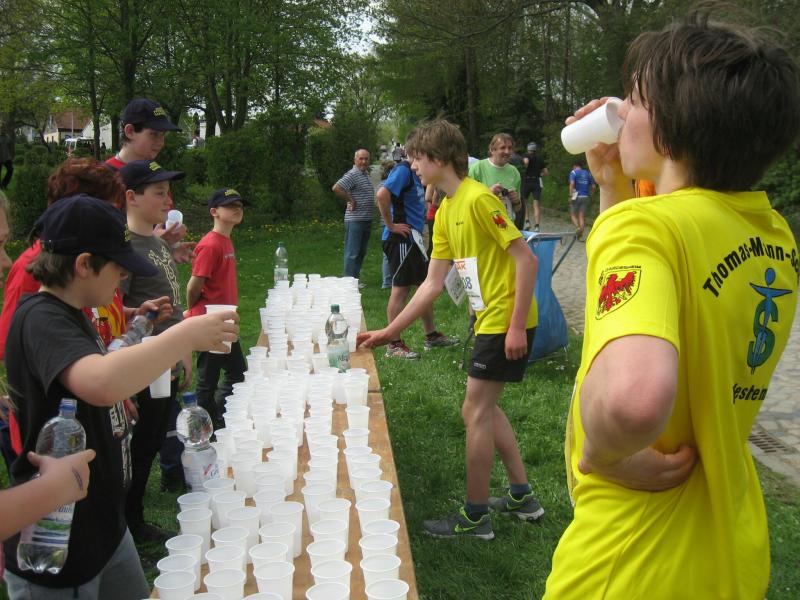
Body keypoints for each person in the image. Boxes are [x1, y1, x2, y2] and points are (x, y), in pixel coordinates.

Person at [544, 11, 800, 599]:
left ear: (667, 130)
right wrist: (612, 185)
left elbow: (635, 401)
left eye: (632, 101)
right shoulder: (771, 235)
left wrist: (602, 453)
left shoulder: (646, 229)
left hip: (633, 559)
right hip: (727, 551)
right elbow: (639, 288)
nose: (619, 114)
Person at [2, 194, 237, 599]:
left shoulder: (74, 312)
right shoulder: (40, 318)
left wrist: (141, 323)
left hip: (106, 526)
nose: (123, 279)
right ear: (83, 265)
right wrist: (185, 334)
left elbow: (107, 358)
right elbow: (101, 381)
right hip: (61, 541)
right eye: (118, 268)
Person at [359, 119, 544, 539]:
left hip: (505, 320)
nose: (412, 166)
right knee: (485, 408)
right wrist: (389, 332)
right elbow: (432, 284)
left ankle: (475, 518)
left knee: (474, 411)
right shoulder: (444, 211)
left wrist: (517, 326)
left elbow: (527, 260)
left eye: (416, 158)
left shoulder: (479, 200)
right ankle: (522, 497)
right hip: (487, 318)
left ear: (439, 158)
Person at [0, 159, 171, 471]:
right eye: (106, 209)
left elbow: (96, 320)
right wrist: (183, 338)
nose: (114, 217)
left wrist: (131, 316)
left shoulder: (86, 278)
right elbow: (23, 344)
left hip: (97, 406)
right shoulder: (35, 274)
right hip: (56, 441)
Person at [118, 159, 189, 541]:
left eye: (168, 192)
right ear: (132, 197)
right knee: (143, 443)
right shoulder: (125, 248)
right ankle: (129, 521)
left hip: (167, 360)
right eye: (158, 193)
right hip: (145, 362)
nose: (167, 200)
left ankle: (133, 516)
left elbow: (173, 306)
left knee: (155, 435)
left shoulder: (157, 243)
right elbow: (115, 311)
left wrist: (182, 348)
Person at [376, 156, 459, 359]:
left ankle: (431, 336)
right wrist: (390, 225)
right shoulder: (403, 170)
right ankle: (393, 344)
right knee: (401, 289)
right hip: (401, 239)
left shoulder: (415, 173)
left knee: (424, 286)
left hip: (414, 239)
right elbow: (382, 194)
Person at [185, 187, 248, 429]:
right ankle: (204, 428)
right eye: (230, 205)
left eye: (239, 205)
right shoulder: (210, 245)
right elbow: (194, 285)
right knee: (207, 381)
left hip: (225, 319)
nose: (237, 209)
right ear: (214, 212)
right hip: (210, 322)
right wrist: (194, 311)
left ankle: (220, 418)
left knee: (237, 374)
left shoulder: (226, 241)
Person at [105, 98, 190, 255]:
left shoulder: (156, 175)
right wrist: (152, 241)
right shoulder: (103, 177)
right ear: (130, 131)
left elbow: (160, 225)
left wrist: (169, 247)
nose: (161, 142)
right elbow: (99, 235)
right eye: (154, 134)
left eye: (163, 135)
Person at [332, 149, 374, 286]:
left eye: (366, 159)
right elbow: (337, 187)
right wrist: (350, 199)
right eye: (361, 159)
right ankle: (349, 282)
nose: (364, 161)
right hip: (355, 219)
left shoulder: (364, 174)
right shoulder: (353, 174)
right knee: (352, 252)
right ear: (355, 160)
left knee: (361, 251)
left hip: (365, 219)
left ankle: (355, 279)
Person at [468, 133, 525, 230]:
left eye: (510, 148)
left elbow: (517, 208)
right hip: (485, 227)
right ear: (492, 150)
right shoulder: (477, 169)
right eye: (502, 148)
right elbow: (467, 203)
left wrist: (516, 201)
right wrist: (489, 193)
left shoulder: (514, 172)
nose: (507, 151)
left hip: (507, 227)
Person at [521, 142, 548, 231]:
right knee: (536, 204)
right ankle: (537, 226)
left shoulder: (526, 155)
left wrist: (525, 166)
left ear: (528, 149)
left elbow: (526, 162)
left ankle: (527, 222)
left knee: (524, 203)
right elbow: (546, 172)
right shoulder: (539, 159)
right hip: (536, 182)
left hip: (526, 181)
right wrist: (539, 174)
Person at [567, 161, 595, 239]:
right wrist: (591, 195)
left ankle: (578, 228)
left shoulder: (573, 172)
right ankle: (580, 236)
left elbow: (572, 184)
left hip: (576, 196)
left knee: (573, 215)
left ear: (575, 166)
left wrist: (570, 195)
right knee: (581, 216)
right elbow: (593, 187)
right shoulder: (588, 173)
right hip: (585, 197)